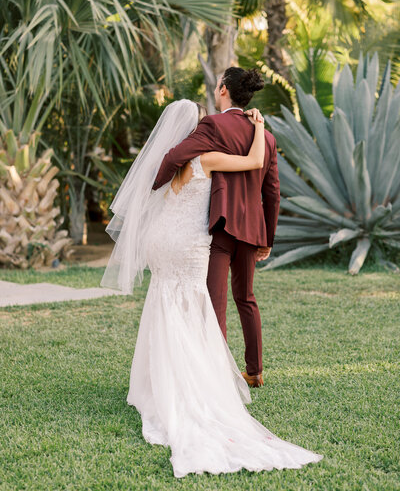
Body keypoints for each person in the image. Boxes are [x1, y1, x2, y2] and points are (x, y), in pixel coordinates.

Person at [101, 94, 323, 478]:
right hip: (187, 245)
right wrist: (258, 127)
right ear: (199, 130)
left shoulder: (173, 160)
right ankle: (199, 380)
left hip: (161, 239)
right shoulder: (206, 159)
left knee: (165, 304)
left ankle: (155, 384)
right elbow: (254, 162)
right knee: (194, 307)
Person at [153, 67, 280, 388]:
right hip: (252, 230)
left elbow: (175, 157)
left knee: (214, 302)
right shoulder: (265, 136)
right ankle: (255, 370)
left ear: (223, 89)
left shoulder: (213, 125)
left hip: (220, 229)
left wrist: (150, 190)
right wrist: (268, 237)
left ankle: (217, 375)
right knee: (247, 298)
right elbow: (272, 193)